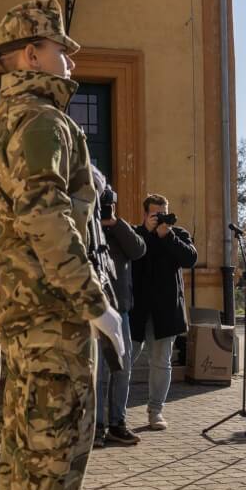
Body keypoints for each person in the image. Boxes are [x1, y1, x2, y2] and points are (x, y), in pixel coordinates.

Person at [0, 0, 125, 490]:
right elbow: (47, 219)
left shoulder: (2, 123)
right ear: (32, 52)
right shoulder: (41, 123)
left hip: (23, 315)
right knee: (51, 464)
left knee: (24, 457)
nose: (69, 62)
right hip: (52, 320)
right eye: (61, 50)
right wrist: (96, 304)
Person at [129, 193, 198, 430]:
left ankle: (155, 411)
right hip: (136, 310)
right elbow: (131, 256)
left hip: (166, 310)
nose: (160, 218)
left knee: (161, 363)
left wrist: (166, 236)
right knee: (124, 360)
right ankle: (115, 413)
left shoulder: (178, 235)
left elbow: (190, 259)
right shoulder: (135, 234)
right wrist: (147, 234)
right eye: (155, 214)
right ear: (146, 213)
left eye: (164, 213)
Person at [92, 170, 146, 448]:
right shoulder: (88, 229)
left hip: (121, 310)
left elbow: (139, 250)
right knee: (99, 372)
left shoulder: (121, 231)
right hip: (94, 313)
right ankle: (97, 427)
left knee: (121, 370)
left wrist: (115, 223)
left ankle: (117, 423)